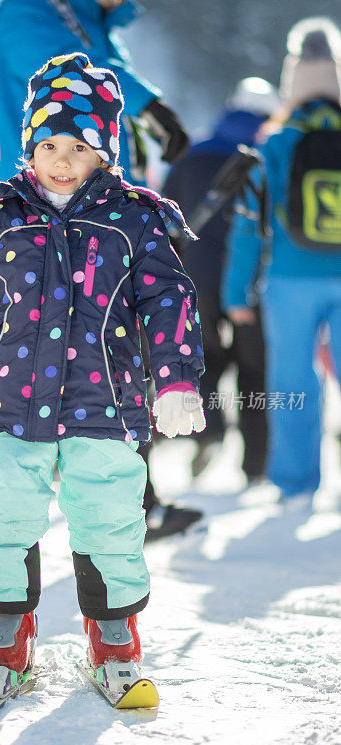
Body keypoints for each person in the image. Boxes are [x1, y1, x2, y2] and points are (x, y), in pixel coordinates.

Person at [0, 53, 205, 695]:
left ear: (105, 153)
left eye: (78, 145)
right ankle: (5, 631)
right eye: (48, 143)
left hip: (106, 405)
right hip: (10, 406)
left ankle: (114, 630)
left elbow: (168, 299)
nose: (61, 159)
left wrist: (178, 380)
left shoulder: (134, 220)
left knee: (109, 517)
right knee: (2, 515)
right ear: (29, 148)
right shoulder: (4, 216)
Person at [223, 18, 341, 509]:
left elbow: (249, 225)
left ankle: (296, 484)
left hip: (288, 279)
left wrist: (235, 293)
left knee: (292, 379)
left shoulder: (275, 144)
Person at [163, 78, 280, 482]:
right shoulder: (265, 158)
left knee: (204, 362)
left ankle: (209, 432)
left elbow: (165, 220)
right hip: (248, 283)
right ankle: (256, 465)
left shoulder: (191, 156)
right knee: (254, 370)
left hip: (195, 279)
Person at [0, 0, 189, 188]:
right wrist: (147, 106)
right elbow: (65, 73)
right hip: (44, 205)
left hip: (103, 203)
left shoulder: (95, 26)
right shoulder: (27, 8)